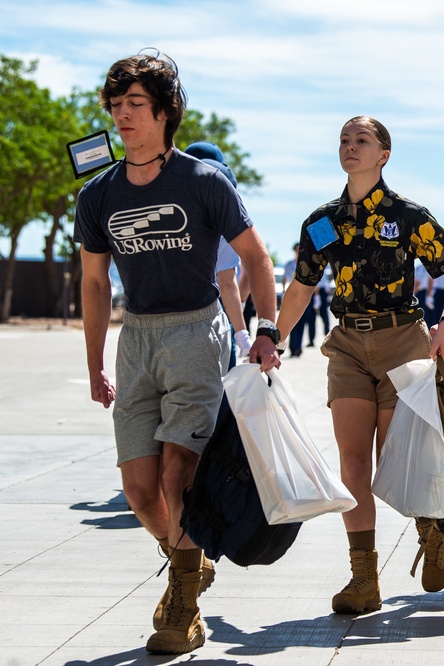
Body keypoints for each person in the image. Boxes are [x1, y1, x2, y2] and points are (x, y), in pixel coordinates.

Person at [73, 51, 279, 655]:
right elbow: (92, 284)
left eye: (135, 105)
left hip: (197, 334)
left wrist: (266, 329)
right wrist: (95, 362)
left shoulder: (203, 181)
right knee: (140, 491)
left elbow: (257, 260)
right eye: (116, 106)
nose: (122, 116)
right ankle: (189, 561)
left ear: (165, 113)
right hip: (137, 337)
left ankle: (182, 608)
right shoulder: (98, 193)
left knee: (176, 476)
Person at [275, 116, 444, 612]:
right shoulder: (322, 221)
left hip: (402, 343)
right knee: (353, 465)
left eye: (362, 140)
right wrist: (272, 341)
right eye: (344, 140)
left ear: (384, 154)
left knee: (397, 457)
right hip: (346, 345)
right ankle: (364, 579)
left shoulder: (408, 216)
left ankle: (433, 534)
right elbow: (301, 287)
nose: (350, 147)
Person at [184, 141, 253, 366]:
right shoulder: (226, 218)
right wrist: (242, 335)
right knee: (221, 390)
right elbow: (230, 281)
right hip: (216, 312)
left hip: (169, 319)